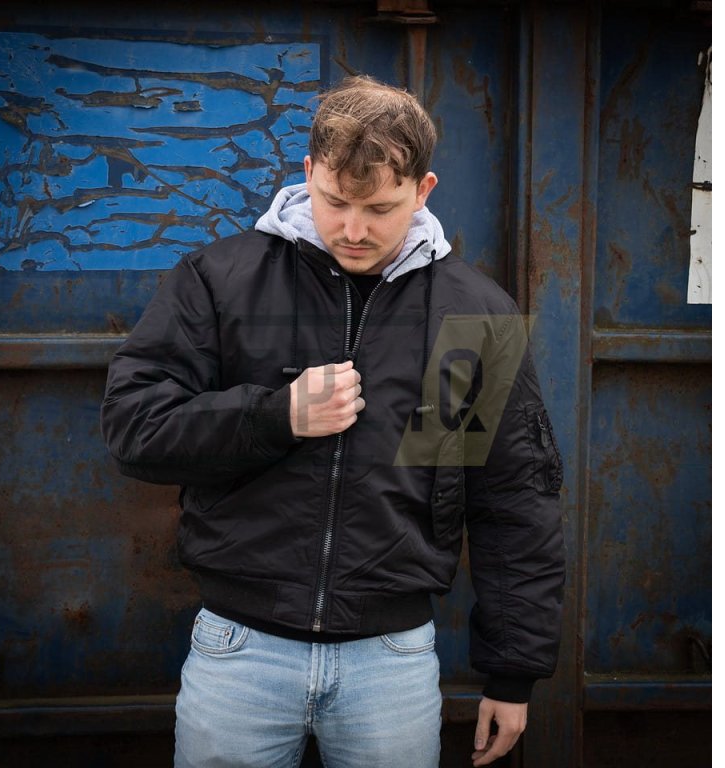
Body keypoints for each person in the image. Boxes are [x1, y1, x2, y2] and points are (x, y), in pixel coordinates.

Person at [101, 75, 565, 768]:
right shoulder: (221, 280)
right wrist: (276, 415)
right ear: (308, 172)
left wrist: (513, 672)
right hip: (239, 651)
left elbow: (511, 501)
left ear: (424, 190)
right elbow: (135, 427)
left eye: (380, 209)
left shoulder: (470, 316)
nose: (353, 230)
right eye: (335, 201)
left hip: (390, 662)